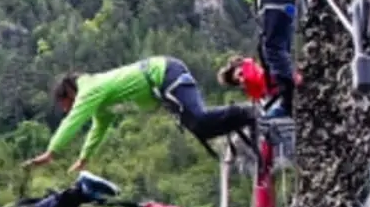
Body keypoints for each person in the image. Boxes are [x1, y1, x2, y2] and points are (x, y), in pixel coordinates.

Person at [22, 56, 254, 173]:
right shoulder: (99, 101)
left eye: (66, 104)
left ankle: (248, 112)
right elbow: (99, 127)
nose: (68, 110)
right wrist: (85, 157)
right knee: (200, 126)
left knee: (200, 120)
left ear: (70, 93)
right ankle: (245, 120)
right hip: (164, 82)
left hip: (166, 74)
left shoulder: (89, 89)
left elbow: (74, 120)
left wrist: (51, 152)